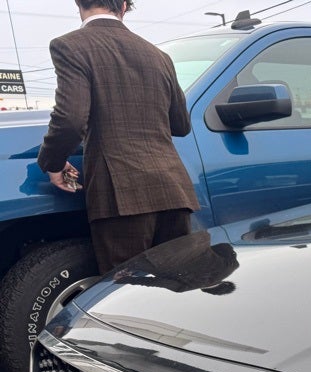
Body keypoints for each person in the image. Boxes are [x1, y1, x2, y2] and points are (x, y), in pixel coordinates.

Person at [36, 0, 199, 274]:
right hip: (174, 189)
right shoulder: (158, 55)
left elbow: (70, 120)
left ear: (78, 3)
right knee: (176, 289)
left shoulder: (70, 46)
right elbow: (181, 125)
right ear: (123, 5)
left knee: (124, 295)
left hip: (120, 194)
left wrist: (53, 163)